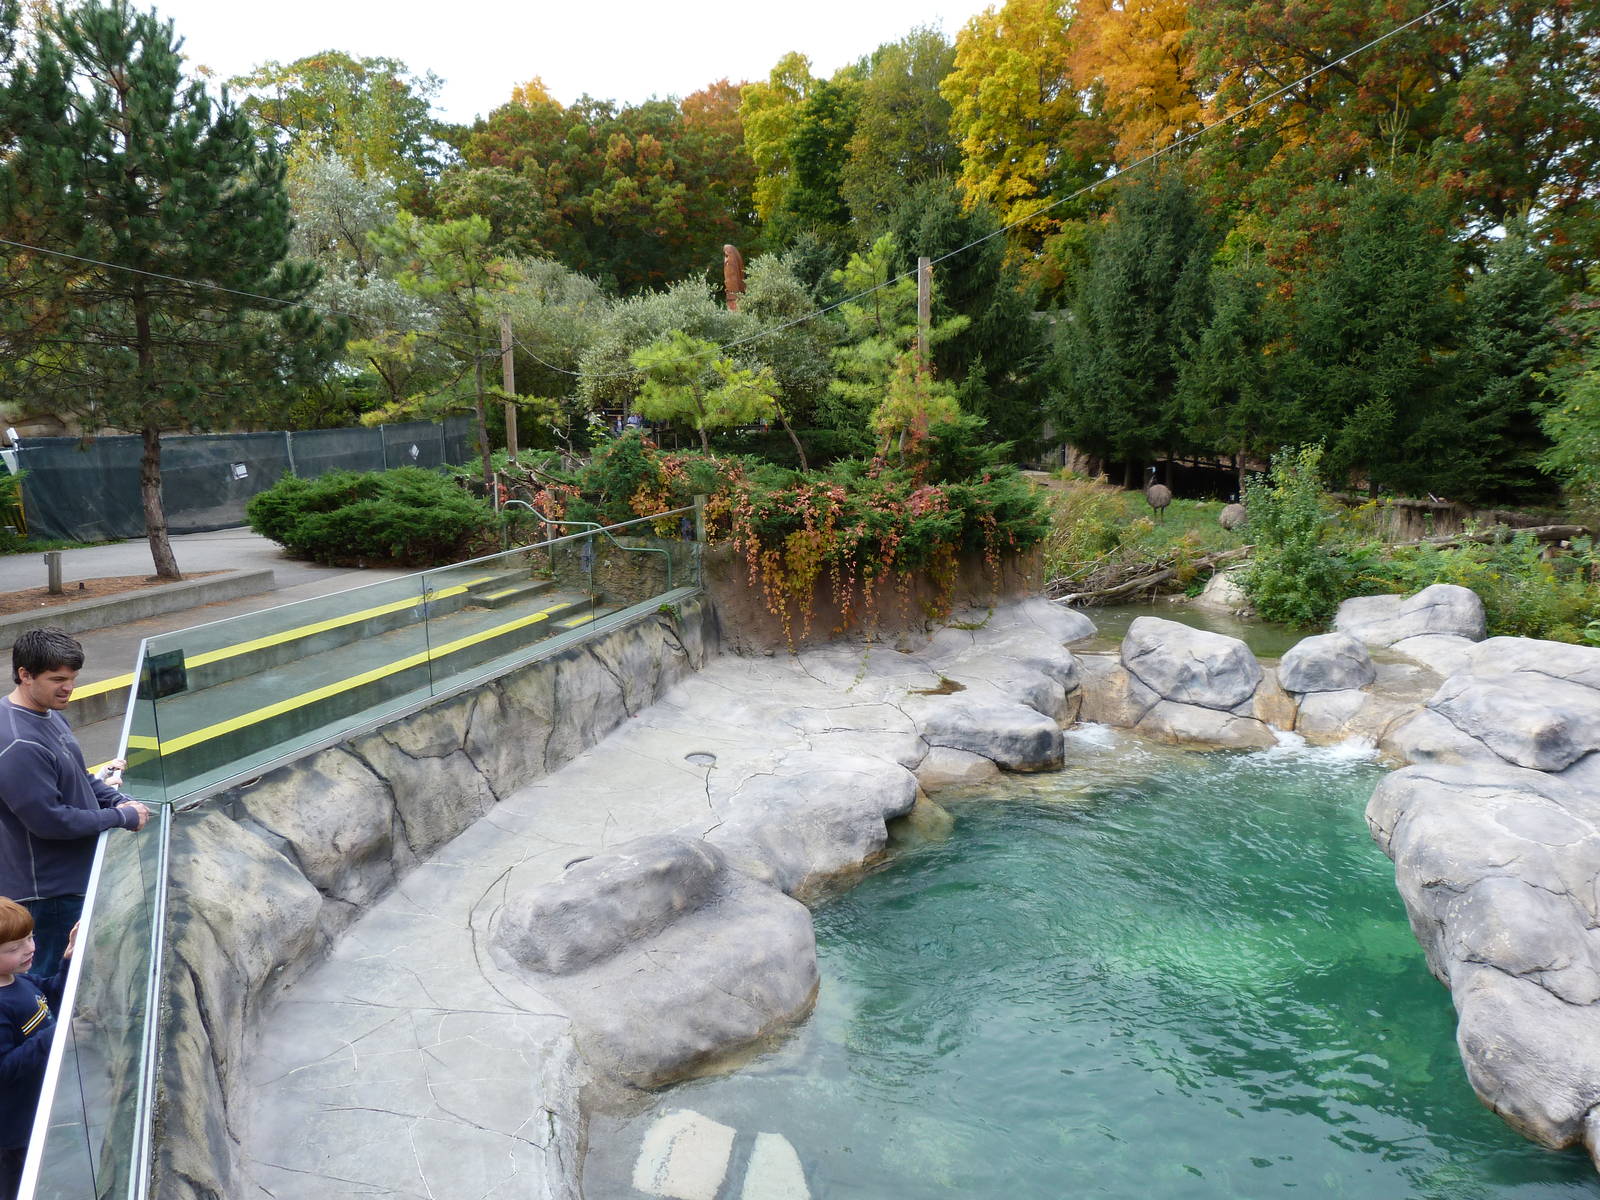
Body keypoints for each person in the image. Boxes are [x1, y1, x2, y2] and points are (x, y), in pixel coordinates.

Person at [0, 629, 147, 977]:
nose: (68, 687)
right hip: (47, 895)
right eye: (57, 679)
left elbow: (79, 777)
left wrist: (118, 799)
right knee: (51, 987)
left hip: (71, 881)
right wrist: (119, 817)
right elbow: (50, 822)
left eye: (72, 678)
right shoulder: (19, 743)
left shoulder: (49, 714)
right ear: (25, 674)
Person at [0, 897, 75, 1200]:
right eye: (14, 948)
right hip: (13, 1131)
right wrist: (55, 1035)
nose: (29, 948)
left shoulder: (19, 980)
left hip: (37, 1110)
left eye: (30, 937)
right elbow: (4, 1069)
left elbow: (54, 995)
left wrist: (69, 959)